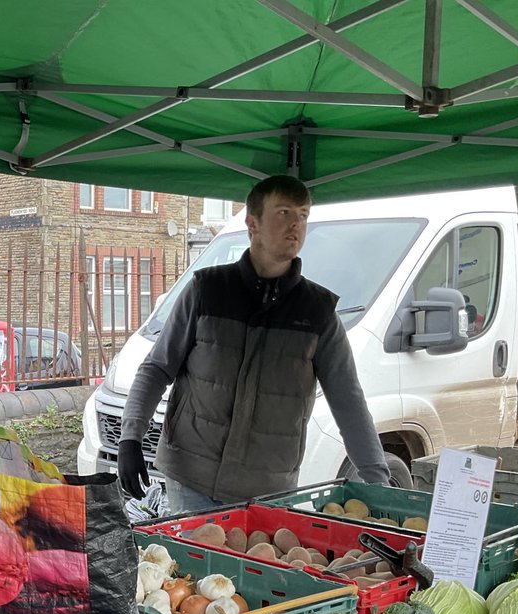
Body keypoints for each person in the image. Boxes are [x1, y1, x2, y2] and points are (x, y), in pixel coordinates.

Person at [118, 174, 389, 513]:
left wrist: (378, 481)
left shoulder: (317, 313)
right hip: (191, 477)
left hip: (267, 489)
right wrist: (131, 437)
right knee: (193, 565)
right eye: (284, 212)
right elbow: (157, 368)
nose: (296, 225)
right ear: (252, 223)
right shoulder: (207, 291)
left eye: (303, 215)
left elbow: (348, 400)